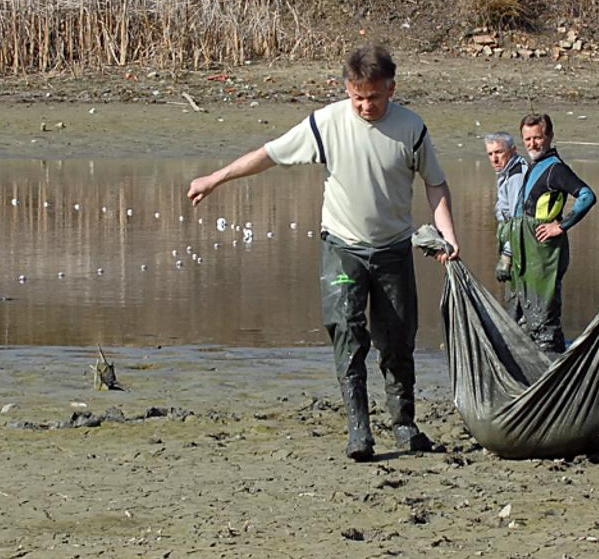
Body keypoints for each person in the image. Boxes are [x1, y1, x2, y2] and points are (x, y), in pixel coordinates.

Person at [188, 44, 460, 462]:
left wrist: (447, 234)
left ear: (391, 87)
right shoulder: (327, 123)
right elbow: (270, 154)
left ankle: (404, 425)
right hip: (342, 249)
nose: (365, 105)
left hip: (392, 252)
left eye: (373, 97)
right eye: (357, 97)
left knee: (398, 341)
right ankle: (359, 431)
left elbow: (436, 184)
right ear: (347, 90)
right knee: (347, 335)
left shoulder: (412, 128)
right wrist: (216, 177)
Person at [501, 113, 597, 354]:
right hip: (526, 255)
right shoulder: (532, 167)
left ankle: (553, 369)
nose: (532, 144)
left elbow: (587, 196)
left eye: (537, 138)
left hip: (545, 256)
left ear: (550, 136)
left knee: (544, 321)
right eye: (527, 139)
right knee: (523, 318)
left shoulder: (556, 170)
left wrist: (561, 226)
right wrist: (507, 253)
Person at [485, 133, 526, 286]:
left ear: (513, 150)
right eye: (490, 154)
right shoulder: (506, 172)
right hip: (513, 241)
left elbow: (518, 219)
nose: (494, 159)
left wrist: (507, 255)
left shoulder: (517, 176)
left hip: (521, 247)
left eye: (499, 152)